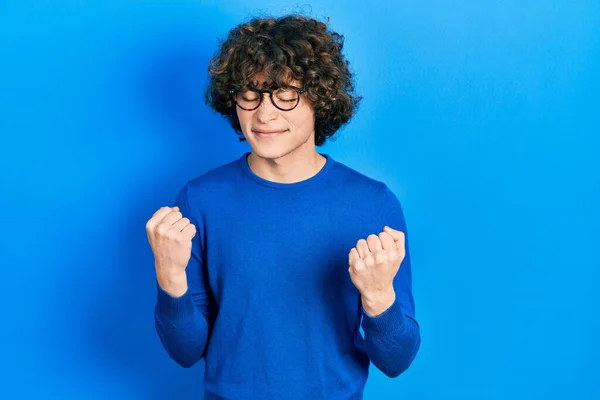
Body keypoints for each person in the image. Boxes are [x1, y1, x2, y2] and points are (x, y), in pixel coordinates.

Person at [145, 14, 421, 400]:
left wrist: (379, 297)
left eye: (286, 94)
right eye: (250, 93)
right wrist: (169, 275)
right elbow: (185, 351)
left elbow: (397, 360)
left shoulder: (373, 205)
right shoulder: (200, 200)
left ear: (320, 98)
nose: (264, 113)